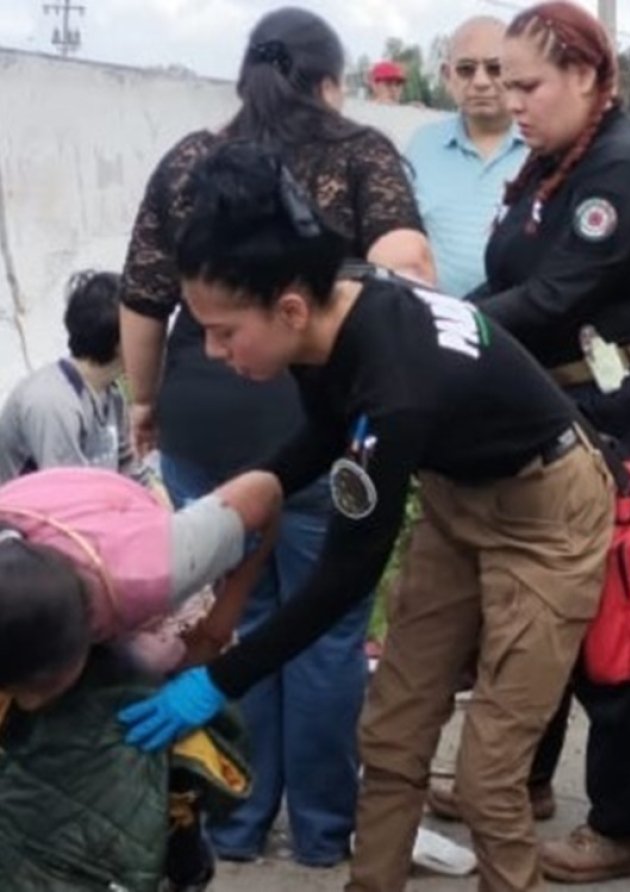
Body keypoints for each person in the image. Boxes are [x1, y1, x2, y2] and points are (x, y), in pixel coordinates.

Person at [116, 140, 615, 892]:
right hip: (457, 495)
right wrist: (264, 483)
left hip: (545, 511)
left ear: (288, 309)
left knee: (486, 779)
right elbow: (326, 428)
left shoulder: (395, 384)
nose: (213, 351)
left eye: (224, 332)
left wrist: (219, 678)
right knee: (390, 738)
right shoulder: (334, 304)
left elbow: (347, 574)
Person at [119, 7, 433, 868]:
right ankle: (327, 833)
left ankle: (235, 818)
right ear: (332, 82)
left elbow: (143, 298)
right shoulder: (364, 151)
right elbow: (411, 269)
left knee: (228, 615)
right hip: (316, 417)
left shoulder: (191, 159)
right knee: (325, 628)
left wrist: (147, 402)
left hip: (204, 419)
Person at [439, 3, 630, 882]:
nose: (511, 101)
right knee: (544, 603)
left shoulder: (619, 172)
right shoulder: (557, 166)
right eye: (503, 83)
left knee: (613, 617)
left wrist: (436, 328)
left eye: (528, 84)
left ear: (587, 77)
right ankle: (523, 778)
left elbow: (551, 298)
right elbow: (511, 278)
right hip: (571, 404)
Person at [0, 466, 279, 891]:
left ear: (94, 633)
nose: (31, 702)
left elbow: (267, 490)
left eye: (35, 688)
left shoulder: (149, 574)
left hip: (114, 529)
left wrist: (219, 627)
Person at [406, 16, 528, 297]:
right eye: (466, 69)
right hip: (436, 328)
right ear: (447, 76)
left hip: (523, 331)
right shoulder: (422, 145)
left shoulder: (546, 147)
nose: (481, 81)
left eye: (495, 68)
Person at [0, 271, 147, 484]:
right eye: (143, 329)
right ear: (119, 343)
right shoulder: (53, 403)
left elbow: (133, 472)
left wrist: (167, 514)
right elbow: (69, 500)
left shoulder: (112, 394)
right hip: (44, 514)